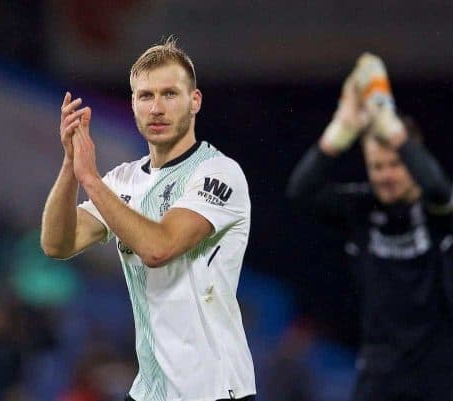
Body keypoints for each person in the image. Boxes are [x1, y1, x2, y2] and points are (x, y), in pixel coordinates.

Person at [40, 37, 256, 401]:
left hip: (214, 391)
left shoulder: (219, 173)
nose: (157, 108)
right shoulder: (124, 181)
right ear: (133, 104)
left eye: (170, 94)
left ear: (195, 101)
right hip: (151, 391)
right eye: (146, 96)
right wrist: (70, 167)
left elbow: (159, 248)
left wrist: (90, 178)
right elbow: (57, 244)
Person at [287, 53, 453, 401]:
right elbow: (300, 192)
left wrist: (389, 125)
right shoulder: (359, 209)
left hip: (439, 375)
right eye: (377, 167)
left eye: (395, 164)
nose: (386, 175)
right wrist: (341, 129)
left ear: (413, 159)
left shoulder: (439, 211)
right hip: (379, 376)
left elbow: (438, 188)